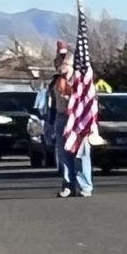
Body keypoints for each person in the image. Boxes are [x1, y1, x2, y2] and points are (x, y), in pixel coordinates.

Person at [46, 61, 93, 198]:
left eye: (65, 63)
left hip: (78, 119)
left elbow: (88, 101)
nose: (61, 66)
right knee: (63, 154)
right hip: (61, 118)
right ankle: (68, 186)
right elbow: (53, 104)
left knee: (81, 154)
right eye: (59, 64)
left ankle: (84, 186)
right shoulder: (56, 82)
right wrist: (50, 123)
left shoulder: (81, 81)